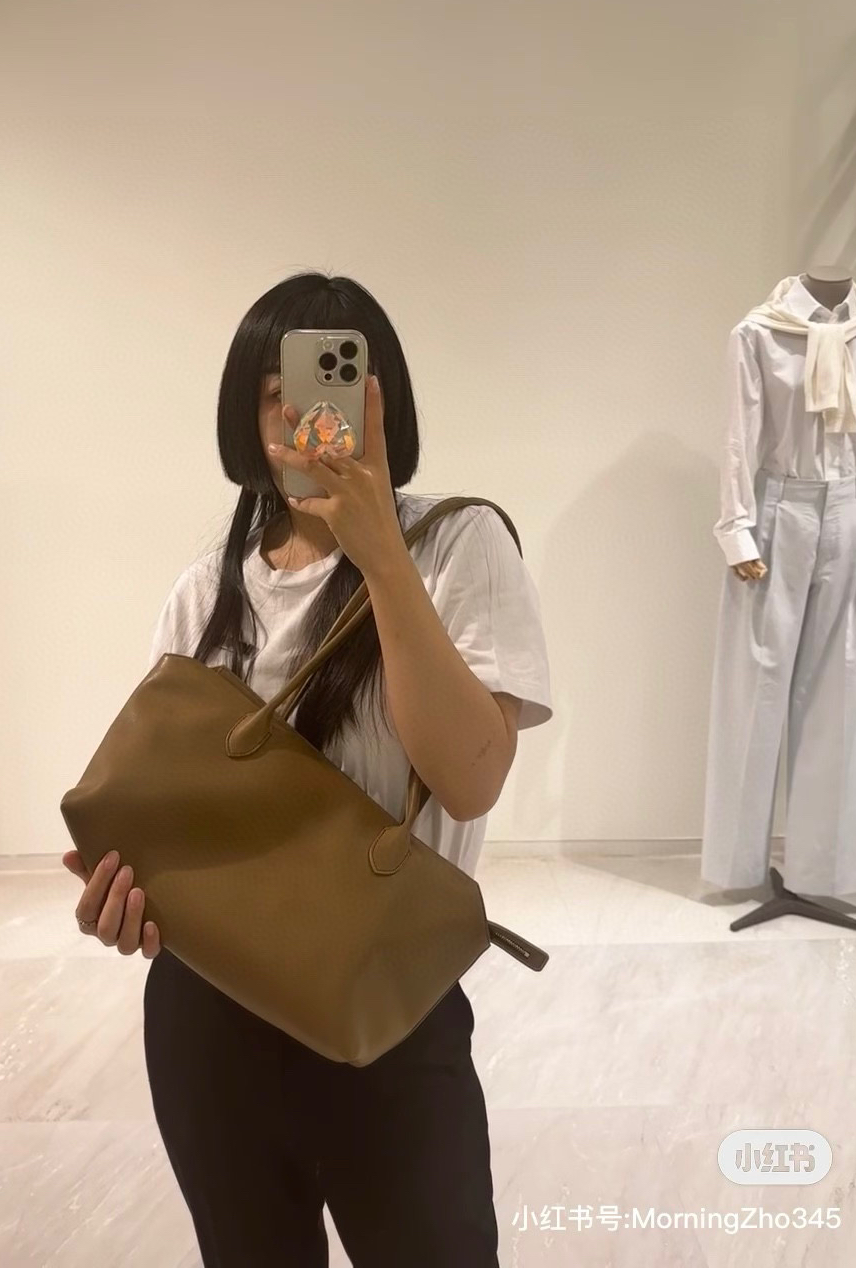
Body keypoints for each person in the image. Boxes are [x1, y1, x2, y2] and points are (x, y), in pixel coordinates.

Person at [62, 271, 553, 1266]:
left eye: (332, 382)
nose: (301, 413)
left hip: (388, 1004)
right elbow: (173, 813)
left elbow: (469, 782)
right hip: (208, 1017)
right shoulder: (204, 591)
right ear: (245, 414)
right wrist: (128, 897)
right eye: (272, 391)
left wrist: (382, 559)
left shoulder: (459, 544)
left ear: (380, 400)